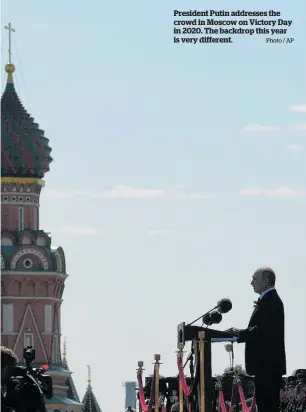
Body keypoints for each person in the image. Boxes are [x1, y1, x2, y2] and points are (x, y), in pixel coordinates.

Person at [227, 266, 286, 412]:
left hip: (268, 365)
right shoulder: (266, 300)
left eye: (254, 279)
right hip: (264, 366)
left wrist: (240, 334)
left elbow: (262, 331)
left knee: (268, 407)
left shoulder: (272, 300)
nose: (251, 282)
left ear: (265, 281)